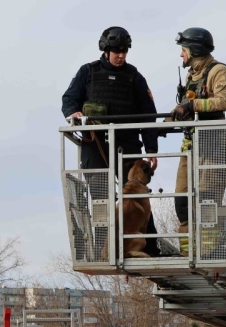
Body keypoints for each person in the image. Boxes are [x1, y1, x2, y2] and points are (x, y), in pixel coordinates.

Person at [62, 26, 160, 257]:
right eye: (116, 51)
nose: (121, 55)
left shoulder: (134, 76)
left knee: (138, 196)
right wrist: (73, 112)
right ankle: (103, 251)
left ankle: (152, 249)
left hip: (127, 145)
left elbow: (148, 115)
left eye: (124, 51)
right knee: (101, 199)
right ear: (106, 50)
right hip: (95, 144)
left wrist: (152, 150)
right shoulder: (87, 72)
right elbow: (69, 98)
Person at [170, 27, 226, 256]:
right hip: (190, 147)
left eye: (183, 49)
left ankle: (207, 253)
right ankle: (187, 253)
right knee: (182, 201)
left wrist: (193, 106)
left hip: (213, 145)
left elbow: (224, 101)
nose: (181, 55)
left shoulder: (219, 72)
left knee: (208, 201)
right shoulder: (191, 76)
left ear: (194, 50)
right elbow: (183, 106)